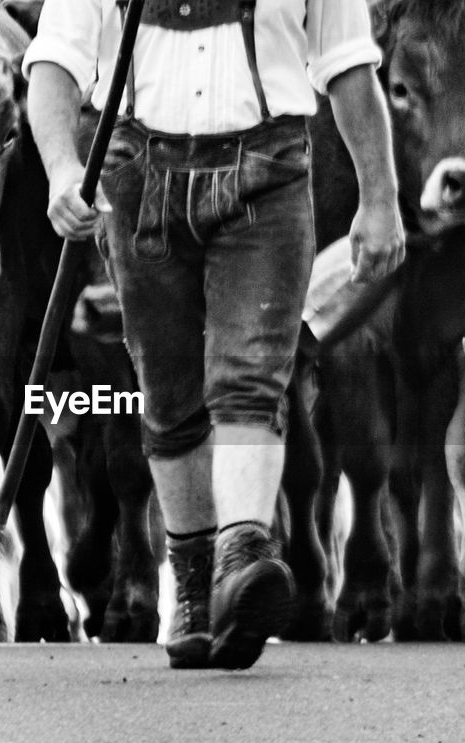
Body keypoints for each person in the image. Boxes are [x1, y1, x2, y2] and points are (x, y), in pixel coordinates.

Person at [24, 0, 405, 669]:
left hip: (271, 176)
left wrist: (379, 199)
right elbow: (55, 61)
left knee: (250, 379)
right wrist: (60, 166)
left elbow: (350, 68)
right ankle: (196, 587)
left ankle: (243, 556)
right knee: (168, 393)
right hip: (138, 177)